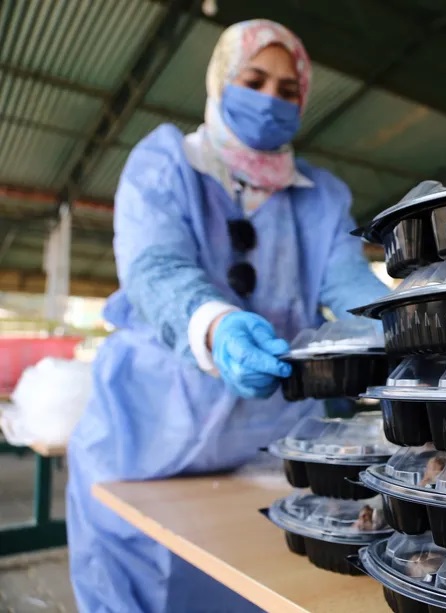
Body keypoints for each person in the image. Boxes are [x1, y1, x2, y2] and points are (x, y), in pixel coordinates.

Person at [65, 20, 390, 612]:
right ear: (220, 80)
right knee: (136, 587)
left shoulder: (320, 195)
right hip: (144, 438)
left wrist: (408, 331)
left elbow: (349, 286)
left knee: (248, 584)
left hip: (264, 448)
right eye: (254, 79)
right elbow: (155, 268)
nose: (270, 98)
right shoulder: (165, 162)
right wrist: (214, 325)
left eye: (287, 90)